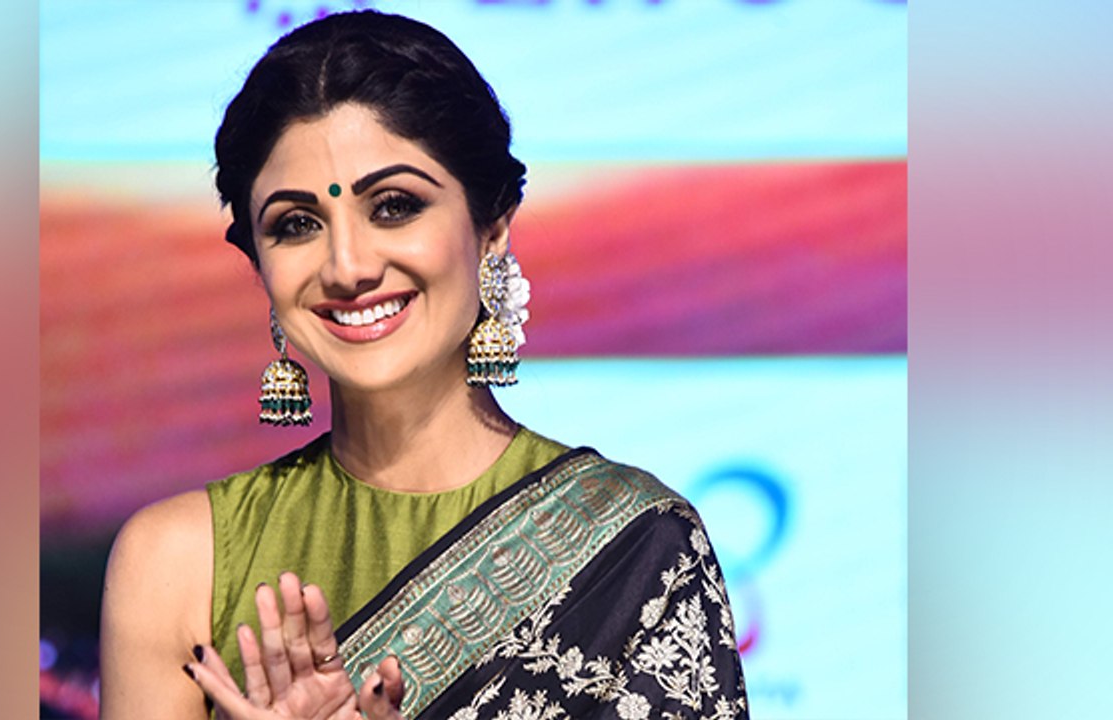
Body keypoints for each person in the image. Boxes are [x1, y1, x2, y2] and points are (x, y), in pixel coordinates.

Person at [99, 10, 747, 720]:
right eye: (296, 224)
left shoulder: (635, 544)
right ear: (258, 264)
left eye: (394, 207)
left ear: (491, 229)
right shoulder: (177, 566)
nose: (348, 266)